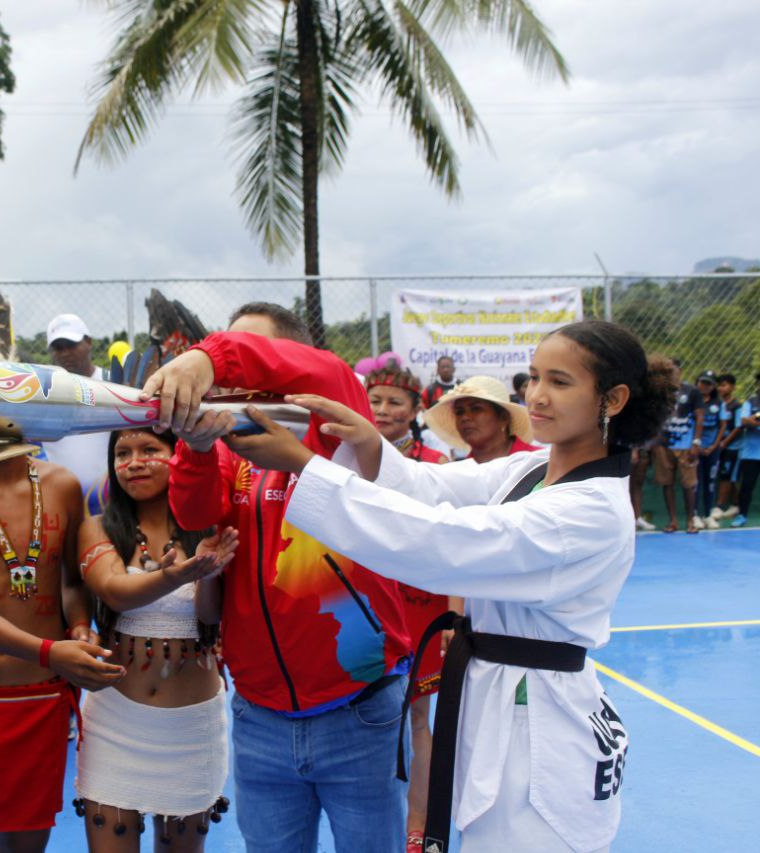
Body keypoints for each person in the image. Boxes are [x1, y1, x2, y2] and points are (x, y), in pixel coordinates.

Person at [217, 319, 676, 853]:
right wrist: (367, 444)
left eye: (560, 382)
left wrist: (304, 464)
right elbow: (431, 486)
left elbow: (442, 542)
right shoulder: (533, 468)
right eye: (533, 377)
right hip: (499, 694)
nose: (537, 396)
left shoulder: (589, 510)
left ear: (612, 399)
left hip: (538, 715)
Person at [145, 302, 413, 853]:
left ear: (294, 363)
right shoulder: (232, 450)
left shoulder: (336, 419)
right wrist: (198, 449)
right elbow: (195, 515)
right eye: (230, 370)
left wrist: (208, 356)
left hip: (359, 711)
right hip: (260, 717)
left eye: (253, 361)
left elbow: (320, 371)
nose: (234, 382)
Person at [0, 451, 123, 853]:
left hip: (40, 699)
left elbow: (71, 581)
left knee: (27, 843)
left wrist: (79, 626)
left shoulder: (63, 485)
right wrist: (50, 653)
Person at [73, 428, 238, 850]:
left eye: (150, 450)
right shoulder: (98, 528)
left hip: (192, 727)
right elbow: (114, 591)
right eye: (122, 453)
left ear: (179, 456)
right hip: (114, 723)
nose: (134, 463)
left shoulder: (209, 528)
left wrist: (208, 574)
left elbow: (209, 617)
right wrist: (174, 576)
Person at [360, 364, 450, 853]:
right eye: (375, 400)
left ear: (416, 409)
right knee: (364, 719)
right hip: (360, 604)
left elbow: (451, 541)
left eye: (395, 402)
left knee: (416, 717)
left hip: (416, 603)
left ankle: (418, 824)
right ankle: (377, 818)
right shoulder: (347, 457)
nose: (383, 410)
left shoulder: (436, 463)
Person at [39, 313, 110, 515]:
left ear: (89, 342)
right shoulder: (43, 392)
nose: (65, 353)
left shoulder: (113, 382)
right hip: (60, 504)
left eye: (71, 345)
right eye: (58, 348)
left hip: (111, 504)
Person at [423, 375, 539, 463]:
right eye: (459, 412)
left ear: (504, 418)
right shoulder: (460, 474)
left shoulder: (538, 462)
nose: (465, 418)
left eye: (476, 409)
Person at [653, 359, 705, 533]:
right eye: (666, 371)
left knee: (688, 483)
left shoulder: (692, 391)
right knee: (667, 482)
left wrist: (696, 442)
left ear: (680, 371)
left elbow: (700, 417)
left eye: (672, 370)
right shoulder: (659, 392)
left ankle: (690, 521)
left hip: (686, 444)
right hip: (663, 445)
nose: (670, 374)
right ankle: (673, 521)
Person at [693, 371, 726, 529]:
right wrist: (696, 445)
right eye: (702, 382)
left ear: (713, 386)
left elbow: (722, 426)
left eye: (709, 383)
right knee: (695, 482)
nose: (705, 386)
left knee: (710, 482)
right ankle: (694, 515)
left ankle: (708, 515)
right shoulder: (693, 401)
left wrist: (713, 446)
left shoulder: (719, 404)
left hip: (712, 450)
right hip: (695, 449)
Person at [728, 372, 760, 528]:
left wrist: (755, 420)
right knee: (746, 486)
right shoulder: (750, 402)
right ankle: (742, 515)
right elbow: (744, 421)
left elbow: (751, 421)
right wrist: (752, 420)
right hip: (750, 454)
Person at [710, 373, 742, 522]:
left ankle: (719, 506)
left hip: (732, 448)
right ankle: (735, 504)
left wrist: (724, 443)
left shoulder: (737, 406)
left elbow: (738, 427)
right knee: (726, 476)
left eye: (724, 385)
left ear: (733, 387)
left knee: (726, 475)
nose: (720, 388)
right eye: (719, 385)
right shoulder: (716, 405)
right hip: (717, 445)